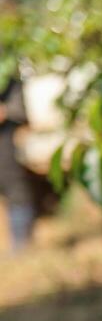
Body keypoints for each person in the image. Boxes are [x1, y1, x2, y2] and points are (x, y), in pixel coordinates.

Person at [0, 73, 34, 255]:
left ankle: (21, 246)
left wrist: (5, 111)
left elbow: (19, 110)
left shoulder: (8, 76)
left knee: (16, 191)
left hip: (5, 145)